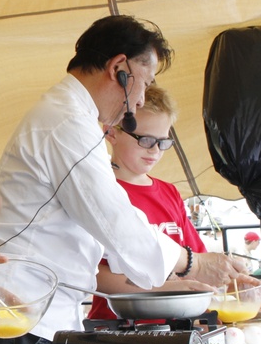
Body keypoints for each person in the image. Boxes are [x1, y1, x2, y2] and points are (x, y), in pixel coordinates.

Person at [0, 15, 249, 344]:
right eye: (144, 84)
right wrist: (190, 262)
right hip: (20, 317)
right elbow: (115, 222)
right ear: (119, 69)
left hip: (29, 314)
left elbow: (114, 218)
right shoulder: (68, 122)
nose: (139, 100)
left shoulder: (69, 115)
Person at [87, 86, 213, 320]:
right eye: (145, 140)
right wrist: (163, 289)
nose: (155, 151)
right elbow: (91, 273)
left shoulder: (169, 192)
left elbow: (197, 258)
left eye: (163, 142)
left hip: (177, 323)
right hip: (116, 327)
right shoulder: (97, 191)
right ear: (111, 132)